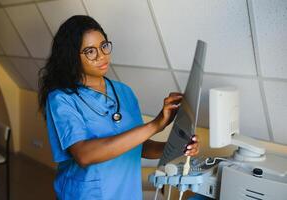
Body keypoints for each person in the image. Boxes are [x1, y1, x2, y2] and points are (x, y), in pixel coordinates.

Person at [38, 15, 199, 200]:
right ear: (71, 56)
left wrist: (178, 147)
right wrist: (155, 125)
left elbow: (139, 146)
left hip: (127, 194)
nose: (101, 56)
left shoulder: (123, 91)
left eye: (104, 46)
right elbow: (84, 154)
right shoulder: (62, 98)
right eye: (90, 51)